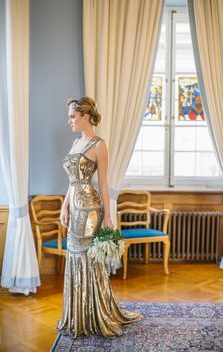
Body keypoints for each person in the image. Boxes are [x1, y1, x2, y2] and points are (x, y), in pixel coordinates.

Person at [57, 96, 143, 338]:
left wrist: (108, 216)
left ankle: (95, 315)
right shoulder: (76, 143)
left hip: (89, 210)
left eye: (73, 117)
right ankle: (78, 316)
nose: (69, 121)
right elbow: (72, 182)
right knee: (75, 257)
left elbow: (103, 184)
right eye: (69, 117)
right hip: (73, 208)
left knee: (87, 259)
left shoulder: (98, 145)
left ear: (85, 117)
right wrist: (64, 207)